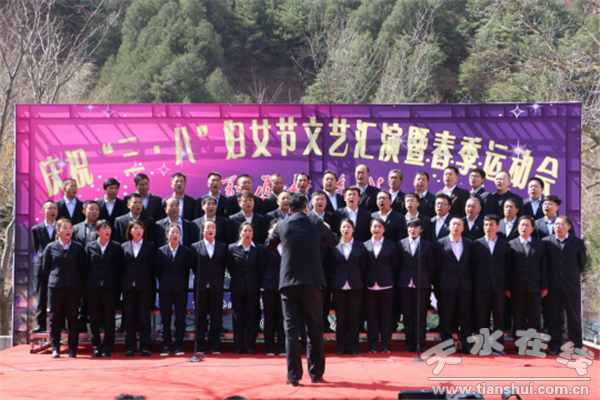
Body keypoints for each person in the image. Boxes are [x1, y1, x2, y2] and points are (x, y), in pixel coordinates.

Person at [265, 194, 340, 386]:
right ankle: (316, 374)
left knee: (291, 330)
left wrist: (274, 233)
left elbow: (269, 245)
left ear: (289, 209)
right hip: (311, 282)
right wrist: (327, 228)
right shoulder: (316, 223)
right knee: (315, 327)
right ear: (307, 207)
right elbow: (334, 240)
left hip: (288, 283)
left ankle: (293, 376)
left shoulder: (282, 225)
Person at [42, 218, 86, 358]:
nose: (68, 231)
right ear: (58, 230)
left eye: (70, 228)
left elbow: (83, 267)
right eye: (65, 228)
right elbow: (46, 267)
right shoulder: (50, 247)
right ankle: (55, 348)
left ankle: (73, 349)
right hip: (56, 287)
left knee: (73, 318)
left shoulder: (78, 247)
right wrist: (56, 277)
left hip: (73, 287)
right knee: (55, 318)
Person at [544, 215, 587, 354]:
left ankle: (576, 346)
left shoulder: (577, 242)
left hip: (571, 285)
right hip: (553, 285)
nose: (558, 226)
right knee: (554, 317)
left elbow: (581, 263)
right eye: (556, 224)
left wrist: (571, 274)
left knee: (574, 316)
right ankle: (555, 346)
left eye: (561, 224)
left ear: (568, 226)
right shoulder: (547, 242)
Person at [472, 215, 511, 354]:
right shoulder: (476, 244)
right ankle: (484, 346)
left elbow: (507, 267)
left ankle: (498, 346)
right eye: (486, 224)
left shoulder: (505, 245)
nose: (488, 227)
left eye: (491, 224)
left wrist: (506, 286)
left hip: (499, 287)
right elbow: (472, 266)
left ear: (497, 227)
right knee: (482, 318)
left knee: (499, 318)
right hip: (481, 287)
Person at [435, 216, 474, 353]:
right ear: (448, 227)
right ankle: (447, 346)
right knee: (446, 317)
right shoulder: (440, 243)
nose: (456, 227)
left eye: (459, 224)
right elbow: (437, 267)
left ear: (463, 228)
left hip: (465, 285)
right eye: (453, 224)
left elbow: (472, 265)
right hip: (446, 286)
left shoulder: (469, 244)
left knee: (466, 317)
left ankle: (467, 346)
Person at [397, 219, 435, 353]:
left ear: (421, 229)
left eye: (415, 227)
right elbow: (397, 264)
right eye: (410, 227)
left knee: (420, 315)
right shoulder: (401, 243)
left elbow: (431, 266)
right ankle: (409, 343)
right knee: (407, 315)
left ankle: (420, 343)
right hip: (405, 283)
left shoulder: (427, 245)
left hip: (422, 284)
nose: (412, 229)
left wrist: (427, 281)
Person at [227, 222, 266, 354]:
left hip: (253, 288)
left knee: (252, 317)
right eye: (245, 231)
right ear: (240, 232)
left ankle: (250, 346)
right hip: (237, 288)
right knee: (237, 317)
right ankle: (238, 346)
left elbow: (261, 268)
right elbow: (230, 268)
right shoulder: (232, 248)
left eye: (250, 231)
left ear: (253, 233)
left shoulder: (259, 248)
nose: (247, 233)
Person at [85, 220, 122, 358]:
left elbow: (119, 269)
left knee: (109, 319)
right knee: (94, 319)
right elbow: (85, 268)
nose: (107, 231)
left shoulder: (116, 247)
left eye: (109, 228)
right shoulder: (90, 247)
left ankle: (107, 348)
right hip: (93, 288)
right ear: (97, 231)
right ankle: (96, 347)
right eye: (104, 228)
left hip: (110, 287)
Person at [507, 216, 548, 339]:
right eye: (522, 225)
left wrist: (544, 286)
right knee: (518, 318)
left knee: (534, 318)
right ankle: (519, 345)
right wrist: (507, 287)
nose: (524, 227)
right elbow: (507, 268)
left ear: (532, 228)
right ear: (518, 227)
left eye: (527, 225)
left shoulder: (539, 244)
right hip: (517, 287)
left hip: (534, 287)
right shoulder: (511, 244)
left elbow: (544, 266)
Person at [330, 219, 367, 355]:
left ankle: (353, 347)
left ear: (353, 229)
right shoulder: (334, 246)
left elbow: (363, 266)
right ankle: (341, 347)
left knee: (354, 318)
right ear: (340, 229)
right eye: (343, 227)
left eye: (348, 227)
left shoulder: (360, 246)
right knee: (340, 318)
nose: (346, 229)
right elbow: (331, 266)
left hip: (355, 286)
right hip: (338, 286)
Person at [191, 220, 227, 355]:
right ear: (203, 231)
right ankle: (200, 346)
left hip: (216, 286)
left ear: (216, 231)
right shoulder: (196, 246)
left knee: (216, 316)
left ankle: (214, 345)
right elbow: (193, 266)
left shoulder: (222, 247)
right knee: (200, 317)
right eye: (208, 228)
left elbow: (223, 266)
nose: (210, 230)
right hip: (200, 286)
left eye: (213, 227)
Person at [121, 220, 156, 357]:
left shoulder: (150, 246)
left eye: (140, 228)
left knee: (144, 317)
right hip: (128, 286)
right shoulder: (124, 246)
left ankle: (145, 346)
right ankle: (130, 346)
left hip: (145, 286)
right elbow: (121, 268)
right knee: (129, 317)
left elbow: (153, 268)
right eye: (135, 228)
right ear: (130, 231)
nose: (138, 231)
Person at [364, 217, 398, 354]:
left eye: (379, 227)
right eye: (374, 226)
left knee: (386, 317)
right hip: (370, 285)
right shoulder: (365, 245)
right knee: (371, 317)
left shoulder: (391, 245)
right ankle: (372, 346)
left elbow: (395, 265)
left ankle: (386, 346)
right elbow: (363, 266)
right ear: (370, 229)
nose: (376, 229)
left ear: (384, 229)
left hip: (387, 285)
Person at [157, 224, 191, 356]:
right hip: (165, 289)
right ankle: (165, 345)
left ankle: (179, 345)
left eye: (177, 232)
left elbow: (186, 270)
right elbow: (158, 270)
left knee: (180, 318)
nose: (175, 235)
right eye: (172, 232)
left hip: (180, 289)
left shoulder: (185, 251)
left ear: (180, 235)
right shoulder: (161, 251)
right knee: (165, 319)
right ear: (167, 235)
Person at [31, 200, 58, 333]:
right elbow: (37, 248)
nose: (53, 211)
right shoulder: (36, 229)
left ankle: (61, 325)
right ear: (43, 211)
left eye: (55, 209)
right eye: (50, 208)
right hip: (42, 266)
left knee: (59, 297)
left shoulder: (61, 227)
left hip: (58, 266)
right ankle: (40, 324)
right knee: (42, 296)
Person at [263, 219, 286, 356]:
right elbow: (261, 266)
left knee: (283, 317)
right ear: (270, 231)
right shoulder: (266, 246)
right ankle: (270, 347)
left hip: (285, 285)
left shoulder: (289, 244)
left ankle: (283, 347)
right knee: (269, 317)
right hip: (269, 286)